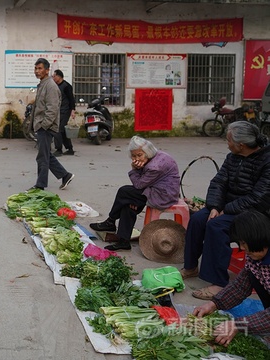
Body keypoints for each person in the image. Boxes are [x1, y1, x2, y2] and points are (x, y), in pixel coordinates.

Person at [182, 121, 270, 300]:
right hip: (227, 207)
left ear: (241, 145)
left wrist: (226, 210)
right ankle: (191, 267)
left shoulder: (267, 161)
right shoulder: (233, 157)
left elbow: (258, 198)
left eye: (229, 140)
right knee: (198, 219)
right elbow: (218, 182)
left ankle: (218, 283)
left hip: (256, 212)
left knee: (216, 227)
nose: (227, 143)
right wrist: (215, 206)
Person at [193, 210, 270, 346]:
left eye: (243, 243)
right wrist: (214, 304)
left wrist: (238, 325)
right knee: (253, 277)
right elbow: (241, 286)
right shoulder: (254, 257)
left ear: (258, 238)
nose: (241, 247)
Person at [90, 136, 180, 251]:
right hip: (154, 188)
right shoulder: (154, 156)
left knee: (124, 191)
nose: (136, 158)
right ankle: (123, 241)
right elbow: (143, 182)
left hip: (162, 195)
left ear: (147, 153)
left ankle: (110, 221)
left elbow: (139, 185)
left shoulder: (154, 166)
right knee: (128, 203)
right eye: (133, 156)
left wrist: (134, 169)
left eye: (139, 155)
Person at [30, 58, 74, 191]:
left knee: (42, 157)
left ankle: (40, 185)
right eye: (36, 68)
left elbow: (52, 109)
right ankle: (65, 175)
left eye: (40, 68)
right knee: (46, 154)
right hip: (41, 125)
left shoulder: (51, 86)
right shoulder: (43, 84)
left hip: (46, 126)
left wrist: (44, 125)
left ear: (47, 70)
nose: (37, 71)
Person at [52, 69, 76, 156]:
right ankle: (70, 149)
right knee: (62, 131)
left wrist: (73, 111)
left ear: (59, 76)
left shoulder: (66, 86)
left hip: (65, 111)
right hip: (57, 111)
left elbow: (71, 99)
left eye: (54, 76)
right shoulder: (55, 86)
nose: (53, 78)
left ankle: (58, 149)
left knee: (58, 129)